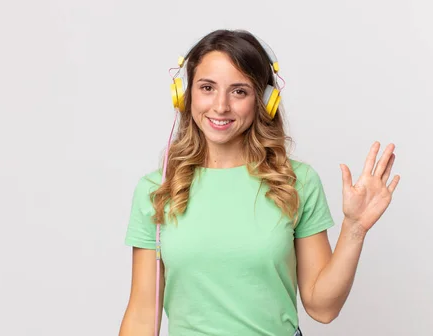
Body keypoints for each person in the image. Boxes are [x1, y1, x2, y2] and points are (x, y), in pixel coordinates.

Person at [118, 29, 400, 336]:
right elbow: (142, 316)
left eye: (239, 91)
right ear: (185, 93)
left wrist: (354, 228)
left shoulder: (297, 182)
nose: (221, 106)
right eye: (207, 87)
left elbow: (323, 307)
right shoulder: (156, 190)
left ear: (264, 100)